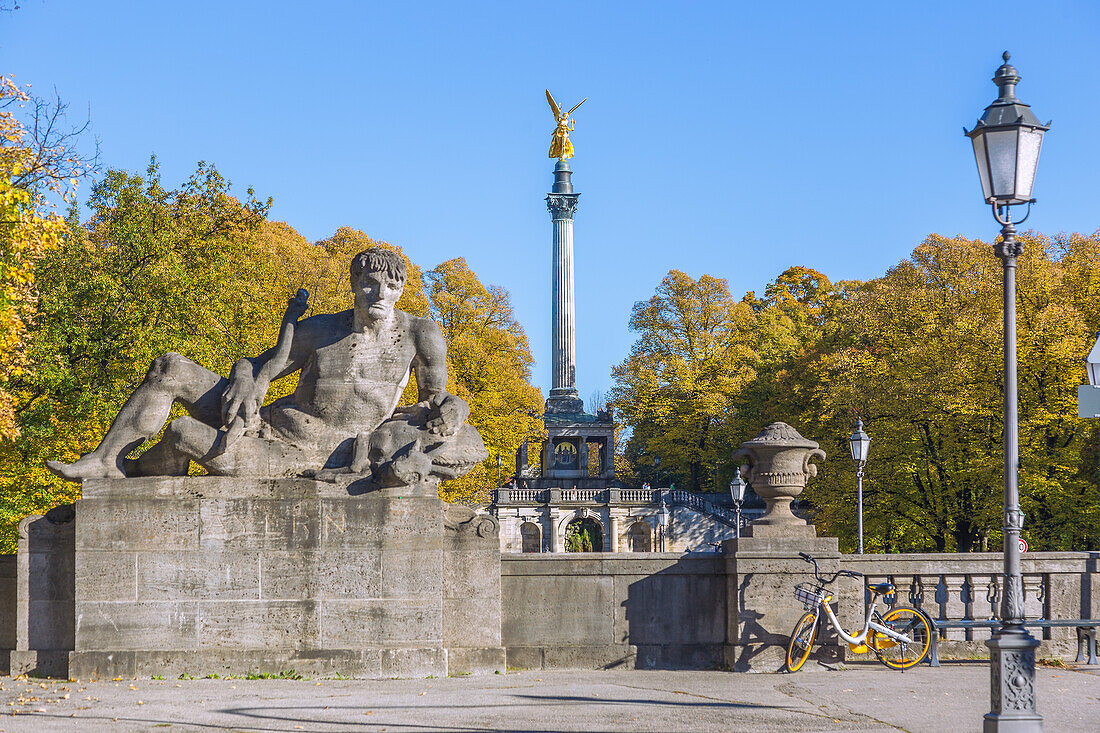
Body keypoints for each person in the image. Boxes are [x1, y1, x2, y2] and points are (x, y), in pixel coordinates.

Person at [47, 248, 482, 481]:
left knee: (182, 432)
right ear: (354, 284)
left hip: (307, 451)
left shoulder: (420, 334)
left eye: (390, 287)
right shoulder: (319, 330)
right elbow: (259, 363)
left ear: (401, 290)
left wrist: (455, 408)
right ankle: (105, 460)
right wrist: (244, 380)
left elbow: (433, 402)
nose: (379, 296)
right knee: (169, 368)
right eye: (369, 285)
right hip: (262, 416)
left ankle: (148, 470)